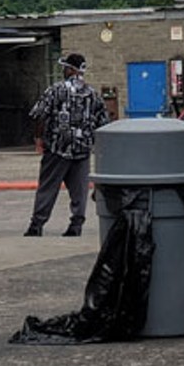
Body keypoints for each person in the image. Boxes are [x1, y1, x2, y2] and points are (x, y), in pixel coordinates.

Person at [25, 52, 110, 237]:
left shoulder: (55, 90)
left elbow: (39, 114)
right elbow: (103, 123)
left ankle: (37, 224)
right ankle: (76, 224)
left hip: (57, 147)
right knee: (79, 189)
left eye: (65, 67)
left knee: (48, 187)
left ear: (70, 69)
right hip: (82, 149)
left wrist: (38, 138)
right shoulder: (92, 94)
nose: (63, 70)